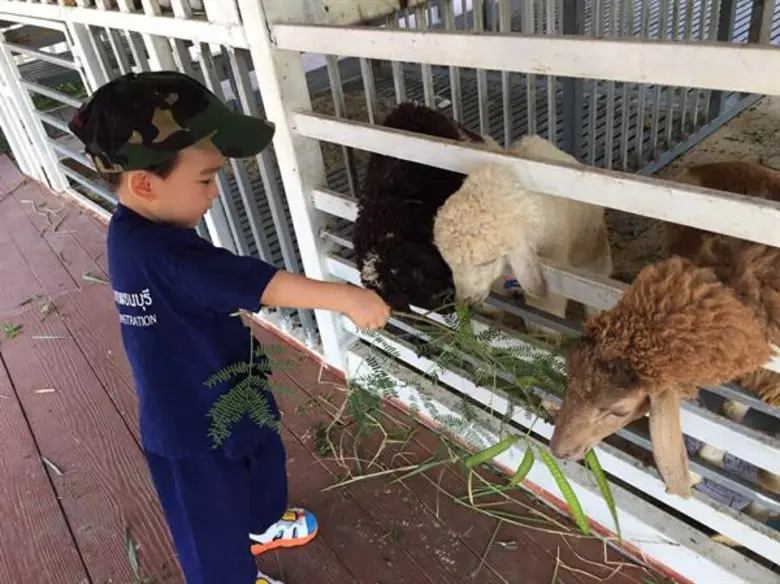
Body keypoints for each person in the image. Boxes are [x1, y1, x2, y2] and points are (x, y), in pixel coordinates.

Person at [67, 71, 390, 584]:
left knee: (262, 456)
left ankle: (260, 524)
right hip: (190, 430)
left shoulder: (134, 229)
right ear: (145, 183)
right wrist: (347, 297)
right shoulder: (168, 254)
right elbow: (262, 284)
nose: (215, 192)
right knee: (209, 530)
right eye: (205, 179)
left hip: (228, 387)